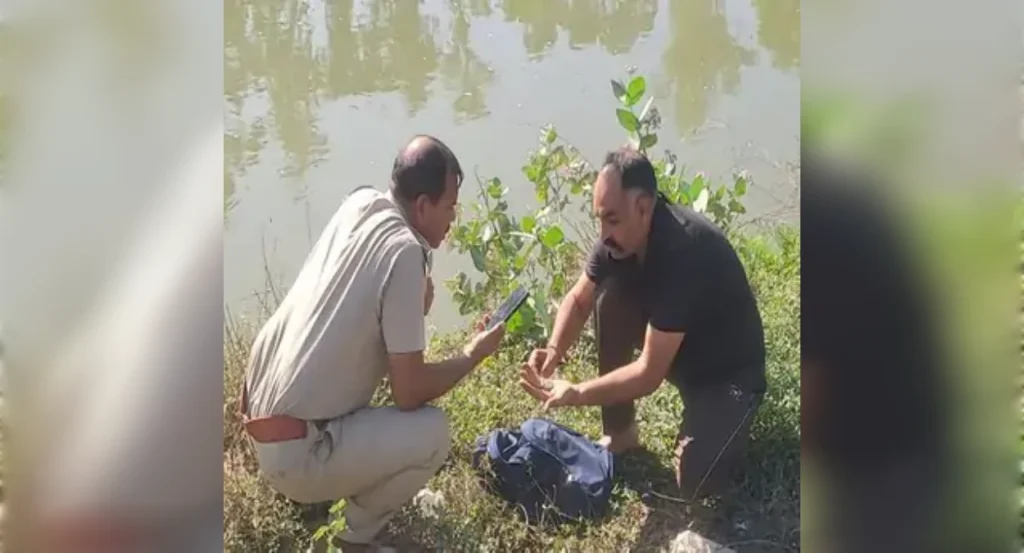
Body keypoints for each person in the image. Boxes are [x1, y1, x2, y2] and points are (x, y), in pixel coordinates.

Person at [240, 135, 506, 552]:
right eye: (450, 207)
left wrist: (414, 308)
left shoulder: (361, 202)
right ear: (422, 206)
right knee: (433, 433)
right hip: (294, 454)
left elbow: (360, 321)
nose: (453, 218)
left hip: (261, 417)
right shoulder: (405, 253)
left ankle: (341, 480)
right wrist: (473, 354)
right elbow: (409, 391)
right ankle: (353, 537)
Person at [518, 147, 766, 499]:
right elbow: (578, 300)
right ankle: (621, 434)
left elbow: (649, 374)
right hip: (683, 354)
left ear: (644, 207)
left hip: (728, 377)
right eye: (600, 219)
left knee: (695, 480)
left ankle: (725, 425)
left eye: (612, 219)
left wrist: (576, 393)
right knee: (609, 297)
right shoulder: (619, 240)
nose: (603, 233)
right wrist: (553, 351)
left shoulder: (685, 250)